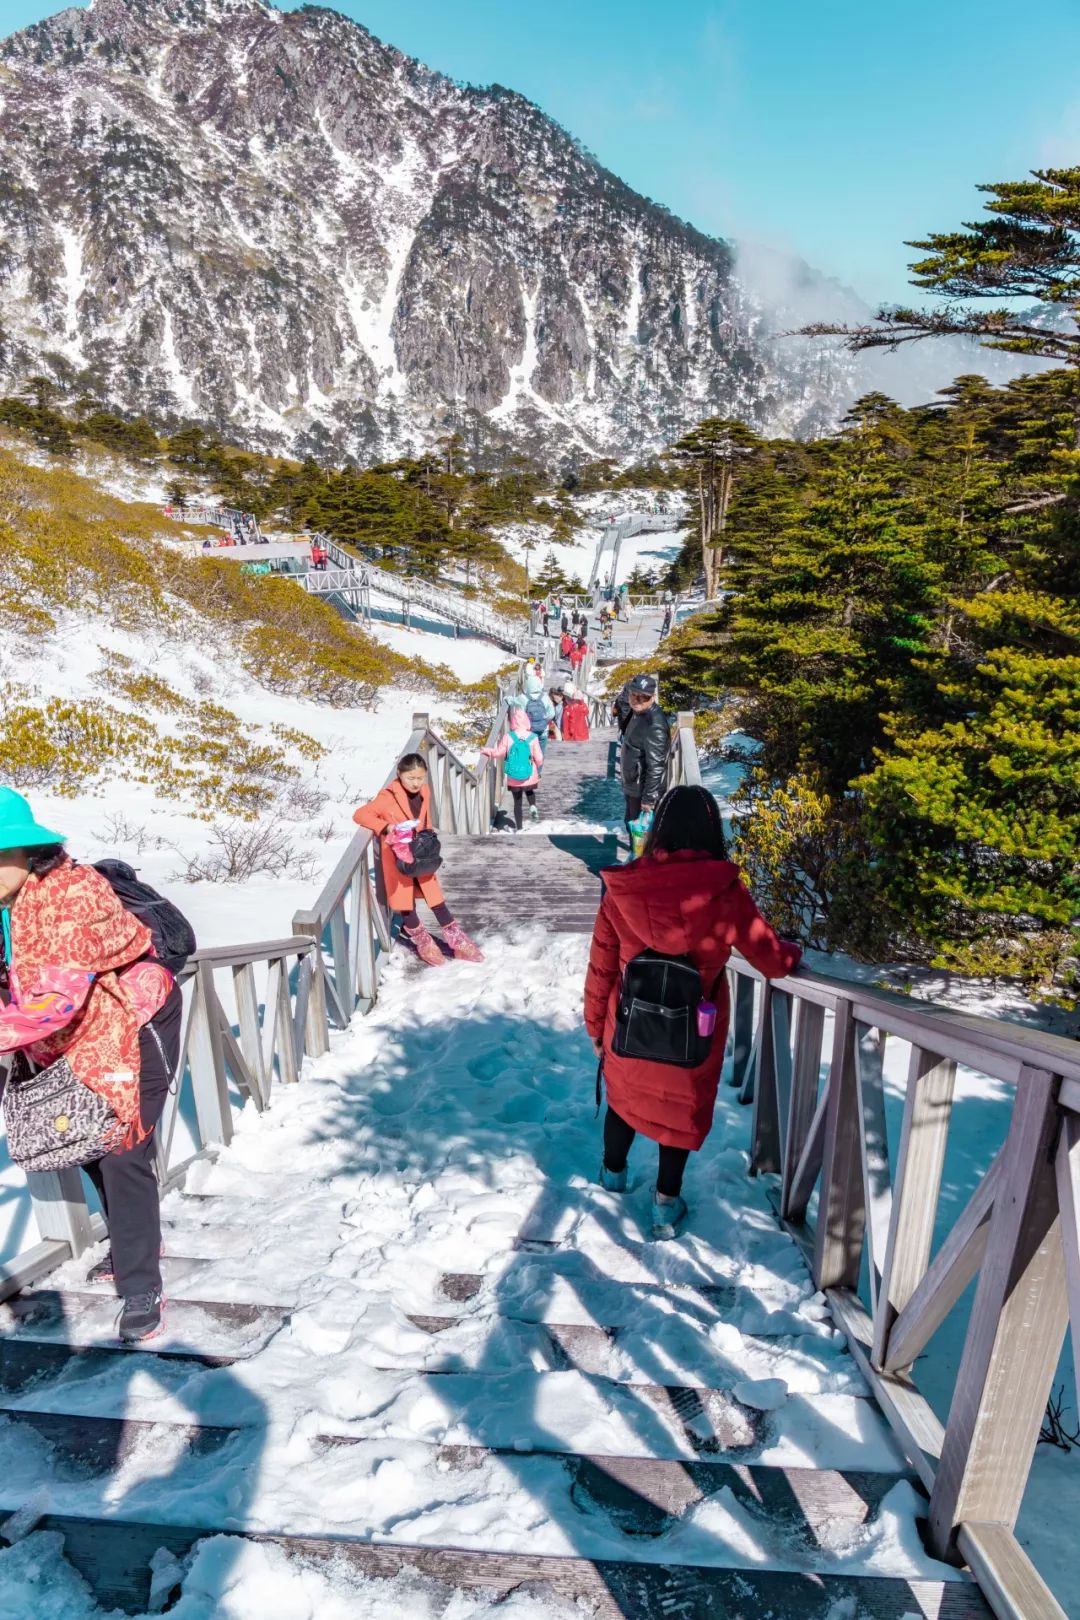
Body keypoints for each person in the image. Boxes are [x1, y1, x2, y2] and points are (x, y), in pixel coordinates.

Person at [0, 790, 182, 1343]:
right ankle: (137, 1240)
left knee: (123, 1148)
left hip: (137, 1021)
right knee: (84, 1142)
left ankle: (140, 1283)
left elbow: (48, 1002)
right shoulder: (10, 904)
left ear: (29, 852)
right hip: (69, 1038)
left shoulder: (72, 898)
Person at [584, 785, 801, 1239]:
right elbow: (770, 959)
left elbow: (603, 962)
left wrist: (593, 1025)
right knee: (677, 1111)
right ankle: (665, 1206)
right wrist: (791, 954)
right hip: (692, 1032)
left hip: (628, 1022)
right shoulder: (724, 892)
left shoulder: (624, 888)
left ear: (659, 826)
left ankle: (613, 1176)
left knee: (624, 1097)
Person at [353, 755, 484, 967]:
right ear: (399, 775)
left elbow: (426, 821)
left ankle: (458, 941)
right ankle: (424, 942)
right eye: (411, 778)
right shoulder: (387, 797)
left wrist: (429, 840)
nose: (416, 783)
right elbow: (360, 815)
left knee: (437, 900)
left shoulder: (424, 791)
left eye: (420, 778)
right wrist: (386, 827)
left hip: (422, 853)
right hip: (398, 858)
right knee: (405, 904)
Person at [615, 674, 668, 837]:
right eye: (634, 695)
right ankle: (637, 860)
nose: (637, 700)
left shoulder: (654, 724)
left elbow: (656, 765)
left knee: (640, 834)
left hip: (641, 788)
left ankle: (640, 861)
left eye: (643, 697)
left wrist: (649, 799)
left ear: (652, 697)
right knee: (631, 826)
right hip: (633, 783)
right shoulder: (638, 713)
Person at [481, 709, 543, 829]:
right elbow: (539, 758)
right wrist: (537, 766)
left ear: (513, 722)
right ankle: (532, 806)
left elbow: (498, 753)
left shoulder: (508, 736)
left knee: (517, 803)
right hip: (529, 773)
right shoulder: (533, 737)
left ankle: (519, 827)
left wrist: (487, 751)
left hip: (514, 775)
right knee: (529, 790)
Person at [523, 674, 555, 759]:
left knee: (529, 753)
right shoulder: (545, 697)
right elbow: (552, 713)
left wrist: (509, 699)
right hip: (543, 730)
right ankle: (538, 771)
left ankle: (529, 770)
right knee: (540, 754)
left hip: (528, 731)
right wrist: (544, 719)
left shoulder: (523, 698)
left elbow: (519, 715)